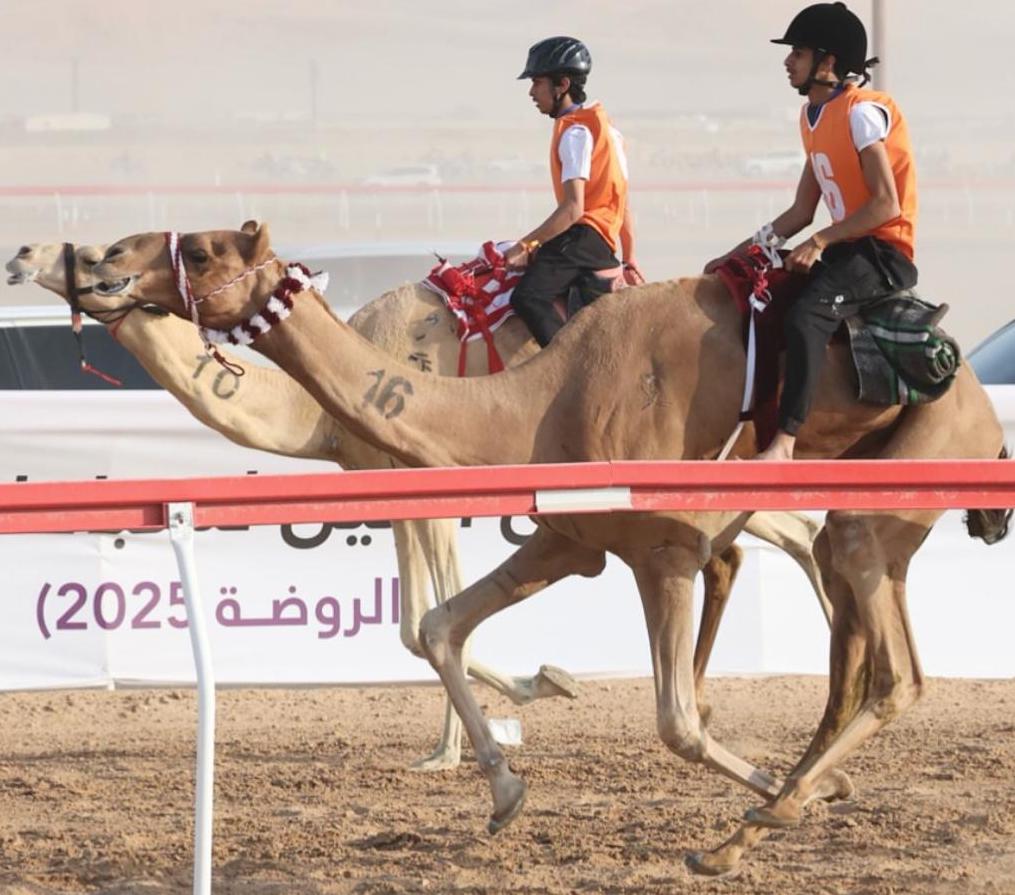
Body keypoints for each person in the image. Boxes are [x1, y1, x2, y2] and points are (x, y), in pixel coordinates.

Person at [704, 2, 918, 460]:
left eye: (797, 53)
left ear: (828, 62)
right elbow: (801, 211)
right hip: (847, 251)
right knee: (760, 300)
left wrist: (820, 241)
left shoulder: (861, 114)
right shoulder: (811, 117)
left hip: (882, 254)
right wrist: (735, 256)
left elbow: (886, 205)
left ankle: (785, 443)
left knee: (806, 317)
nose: (788, 61)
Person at [505, 36, 644, 347]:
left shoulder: (575, 133)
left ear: (562, 85)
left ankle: (565, 365)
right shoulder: (610, 131)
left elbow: (573, 208)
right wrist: (630, 257)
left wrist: (525, 245)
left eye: (537, 82)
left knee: (528, 297)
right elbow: (622, 201)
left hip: (582, 236)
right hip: (601, 242)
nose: (531, 92)